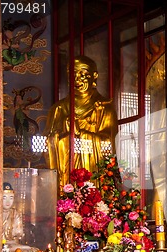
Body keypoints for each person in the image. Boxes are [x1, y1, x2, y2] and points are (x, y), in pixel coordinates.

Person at [44, 55, 118, 187]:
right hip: (66, 178)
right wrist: (65, 136)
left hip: (93, 178)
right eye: (73, 75)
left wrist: (81, 133)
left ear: (94, 76)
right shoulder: (59, 108)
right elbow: (46, 145)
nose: (77, 80)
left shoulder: (105, 108)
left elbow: (110, 145)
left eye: (83, 74)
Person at [2, 182, 39, 252]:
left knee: (33, 251)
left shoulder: (15, 213)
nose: (8, 202)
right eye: (4, 198)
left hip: (12, 245)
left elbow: (18, 234)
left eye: (11, 198)